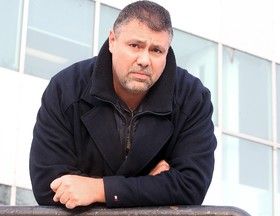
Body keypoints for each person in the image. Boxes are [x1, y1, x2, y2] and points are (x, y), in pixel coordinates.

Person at [29, 0, 217, 209]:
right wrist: (151, 186)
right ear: (112, 40)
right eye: (134, 46)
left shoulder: (192, 97)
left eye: (156, 50)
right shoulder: (67, 88)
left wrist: (97, 189)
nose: (144, 60)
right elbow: (48, 185)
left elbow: (191, 187)